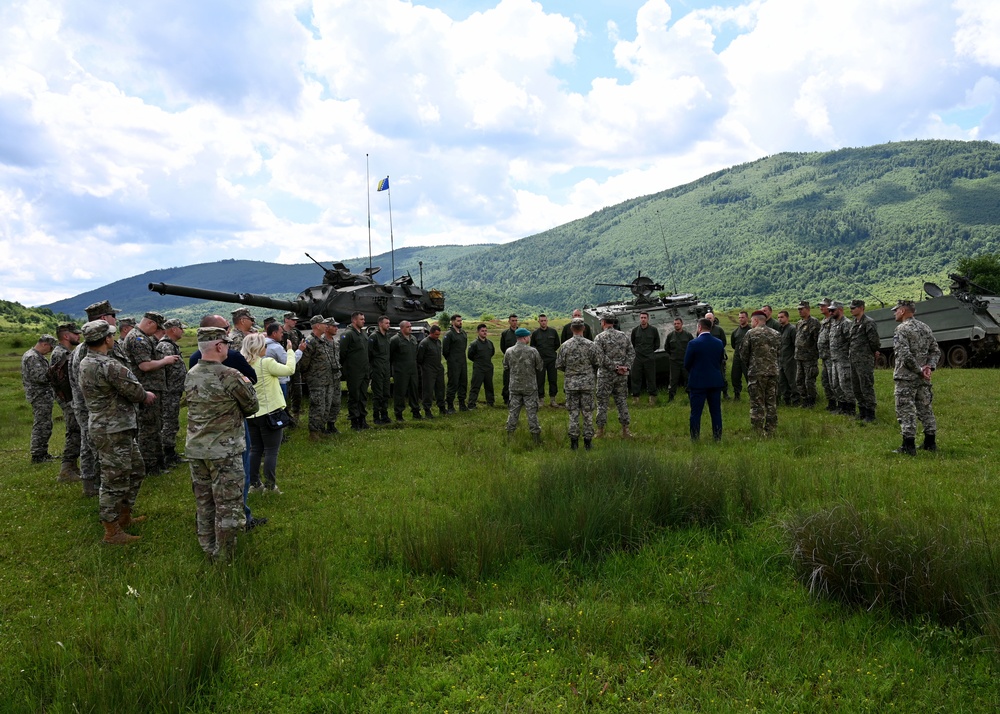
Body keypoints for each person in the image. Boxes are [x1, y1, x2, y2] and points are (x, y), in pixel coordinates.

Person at [185, 326, 259, 563]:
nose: (228, 347)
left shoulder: (191, 373)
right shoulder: (229, 375)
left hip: (196, 450)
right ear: (219, 346)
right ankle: (225, 556)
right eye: (226, 344)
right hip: (224, 451)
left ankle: (207, 547)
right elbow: (252, 406)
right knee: (228, 505)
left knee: (205, 501)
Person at [78, 320, 155, 545]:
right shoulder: (109, 365)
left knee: (136, 469)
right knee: (114, 478)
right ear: (107, 339)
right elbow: (135, 390)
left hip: (110, 427)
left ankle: (124, 516)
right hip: (113, 428)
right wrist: (145, 395)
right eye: (111, 336)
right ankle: (112, 531)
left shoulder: (85, 361)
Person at [72, 300, 124, 498]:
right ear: (104, 319)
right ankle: (96, 485)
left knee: (90, 443)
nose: (116, 320)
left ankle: (92, 483)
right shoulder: (91, 349)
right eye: (113, 316)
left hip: (88, 404)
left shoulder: (83, 347)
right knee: (95, 445)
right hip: (95, 405)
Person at [121, 311, 180, 476]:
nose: (156, 332)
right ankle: (149, 466)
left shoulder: (143, 337)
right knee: (148, 429)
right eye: (156, 328)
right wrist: (165, 361)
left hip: (153, 388)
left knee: (155, 426)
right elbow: (144, 366)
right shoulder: (138, 339)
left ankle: (158, 463)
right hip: (146, 389)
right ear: (150, 323)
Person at [242, 333, 295, 494]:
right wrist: (290, 351)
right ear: (258, 348)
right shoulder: (266, 362)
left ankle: (254, 484)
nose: (266, 348)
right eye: (264, 346)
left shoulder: (243, 364)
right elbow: (289, 370)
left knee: (255, 449)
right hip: (270, 413)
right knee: (272, 451)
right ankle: (271, 486)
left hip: (251, 414)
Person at [891, 300, 941, 455]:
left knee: (905, 409)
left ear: (903, 311)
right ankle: (930, 442)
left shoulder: (901, 329)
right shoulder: (925, 327)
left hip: (906, 377)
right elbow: (935, 351)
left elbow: (904, 354)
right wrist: (928, 367)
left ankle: (908, 445)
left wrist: (919, 369)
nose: (894, 313)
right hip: (922, 377)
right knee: (925, 407)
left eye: (896, 310)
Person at [556, 318, 600, 450]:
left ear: (571, 329)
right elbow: (597, 363)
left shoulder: (565, 346)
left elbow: (559, 365)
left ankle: (574, 443)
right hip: (587, 384)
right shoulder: (591, 345)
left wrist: (571, 372)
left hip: (571, 384)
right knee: (587, 413)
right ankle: (588, 442)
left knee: (573, 413)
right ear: (584, 329)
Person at [739, 310, 780, 436]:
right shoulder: (776, 333)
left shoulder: (751, 333)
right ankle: (771, 429)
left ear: (756, 320)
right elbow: (779, 352)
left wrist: (751, 365)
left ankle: (758, 431)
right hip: (773, 371)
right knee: (771, 402)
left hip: (757, 372)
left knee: (757, 403)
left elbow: (743, 353)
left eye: (752, 321)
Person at [684, 317, 725, 440]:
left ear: (699, 327)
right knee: (716, 412)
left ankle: (695, 438)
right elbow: (720, 361)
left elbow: (687, 363)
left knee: (696, 413)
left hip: (698, 382)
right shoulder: (718, 343)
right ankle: (717, 437)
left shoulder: (693, 343)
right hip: (715, 381)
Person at [593, 316, 634, 438]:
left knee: (602, 403)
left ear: (603, 322)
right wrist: (625, 367)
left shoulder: (599, 337)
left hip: (605, 375)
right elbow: (631, 352)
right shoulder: (623, 335)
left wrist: (614, 367)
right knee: (622, 401)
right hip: (621, 375)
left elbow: (599, 357)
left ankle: (600, 431)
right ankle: (626, 430)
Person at [51, 323, 82, 481]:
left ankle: (72, 467)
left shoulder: (65, 352)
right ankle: (66, 469)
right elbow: (63, 380)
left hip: (69, 398)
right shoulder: (60, 354)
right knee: (74, 431)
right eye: (75, 333)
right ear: (65, 336)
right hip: (68, 399)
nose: (78, 336)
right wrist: (70, 400)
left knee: (76, 431)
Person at [296, 315, 335, 440]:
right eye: (324, 324)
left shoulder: (322, 340)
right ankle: (314, 433)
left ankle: (321, 428)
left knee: (326, 406)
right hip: (316, 380)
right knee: (317, 406)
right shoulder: (310, 341)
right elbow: (304, 363)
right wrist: (310, 376)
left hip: (327, 379)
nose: (326, 326)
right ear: (318, 325)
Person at [21, 334, 57, 463]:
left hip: (43, 395)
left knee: (46, 424)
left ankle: (43, 452)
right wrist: (54, 372)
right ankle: (37, 455)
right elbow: (40, 377)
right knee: (41, 425)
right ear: (44, 344)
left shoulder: (36, 356)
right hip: (39, 395)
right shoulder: (32, 357)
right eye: (50, 348)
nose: (50, 351)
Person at [504, 327, 543, 442]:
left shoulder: (509, 351)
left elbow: (505, 366)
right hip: (529, 387)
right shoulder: (532, 351)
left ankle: (510, 435)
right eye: (529, 336)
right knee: (532, 413)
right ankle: (535, 437)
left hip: (514, 386)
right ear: (525, 337)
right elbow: (539, 367)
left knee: (513, 412)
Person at [157, 318, 187, 466]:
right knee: (168, 423)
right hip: (168, 392)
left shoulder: (171, 346)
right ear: (174, 329)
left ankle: (170, 452)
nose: (183, 331)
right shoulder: (165, 347)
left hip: (173, 390)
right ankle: (167, 455)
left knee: (172, 422)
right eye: (182, 328)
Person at [849, 299, 881, 423]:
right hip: (853, 359)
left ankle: (870, 413)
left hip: (864, 359)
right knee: (856, 387)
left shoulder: (868, 322)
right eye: (851, 308)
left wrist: (873, 352)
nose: (851, 310)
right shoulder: (853, 323)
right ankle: (862, 410)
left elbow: (874, 341)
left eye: (853, 308)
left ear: (861, 308)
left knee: (866, 386)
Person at [340, 311, 370, 430]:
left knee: (363, 395)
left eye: (363, 319)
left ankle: (362, 419)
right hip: (354, 371)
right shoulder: (348, 334)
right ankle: (354, 421)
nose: (363, 321)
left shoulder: (363, 334)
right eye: (361, 319)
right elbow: (343, 352)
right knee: (354, 396)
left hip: (364, 369)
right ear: (354, 321)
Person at [389, 320, 422, 421]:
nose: (410, 328)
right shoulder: (395, 340)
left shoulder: (413, 339)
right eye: (408, 327)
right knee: (400, 392)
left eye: (410, 326)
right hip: (400, 370)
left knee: (414, 391)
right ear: (402, 328)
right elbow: (390, 355)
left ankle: (416, 411)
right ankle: (399, 414)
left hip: (412, 370)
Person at [827, 300, 854, 416]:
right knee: (835, 384)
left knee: (845, 385)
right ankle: (842, 407)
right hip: (834, 359)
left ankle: (850, 408)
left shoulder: (846, 323)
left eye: (833, 310)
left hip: (844, 360)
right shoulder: (833, 323)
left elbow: (851, 342)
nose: (830, 312)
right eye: (830, 310)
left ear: (840, 310)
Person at [794, 301, 821, 408]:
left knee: (809, 380)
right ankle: (804, 399)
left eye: (802, 309)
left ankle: (811, 400)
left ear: (808, 309)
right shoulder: (799, 323)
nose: (800, 311)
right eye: (798, 309)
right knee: (799, 380)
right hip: (799, 356)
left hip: (809, 357)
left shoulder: (814, 322)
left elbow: (817, 340)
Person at [630, 311, 661, 405]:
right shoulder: (635, 330)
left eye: (645, 318)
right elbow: (633, 342)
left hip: (649, 357)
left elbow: (657, 344)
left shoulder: (653, 330)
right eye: (641, 317)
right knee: (635, 377)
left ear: (648, 319)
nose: (643, 319)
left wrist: (649, 351)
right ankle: (635, 398)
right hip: (638, 357)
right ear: (640, 319)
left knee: (651, 377)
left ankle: (652, 398)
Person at [530, 314, 561, 407]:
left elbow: (557, 344)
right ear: (539, 322)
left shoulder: (553, 332)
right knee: (540, 379)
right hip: (540, 360)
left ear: (547, 321)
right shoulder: (535, 333)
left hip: (551, 359)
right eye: (541, 321)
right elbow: (533, 346)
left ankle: (553, 399)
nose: (543, 322)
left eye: (545, 320)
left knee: (553, 379)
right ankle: (541, 399)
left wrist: (550, 352)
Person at [417, 324, 446, 418]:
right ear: (431, 333)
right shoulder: (424, 343)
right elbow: (420, 358)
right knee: (428, 390)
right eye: (436, 335)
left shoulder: (438, 342)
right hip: (428, 369)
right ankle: (427, 410)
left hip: (438, 368)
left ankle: (442, 407)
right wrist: (425, 368)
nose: (437, 336)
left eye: (439, 335)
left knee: (440, 389)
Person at [442, 314, 469, 412]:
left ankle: (462, 404)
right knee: (453, 383)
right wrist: (451, 359)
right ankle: (450, 405)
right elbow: (445, 350)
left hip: (462, 361)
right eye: (458, 321)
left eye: (461, 320)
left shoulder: (463, 333)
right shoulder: (449, 334)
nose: (460, 322)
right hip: (453, 362)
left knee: (463, 382)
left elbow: (464, 347)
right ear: (452, 322)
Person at [369, 315, 392, 424]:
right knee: (378, 394)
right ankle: (376, 416)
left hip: (386, 367)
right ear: (380, 324)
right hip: (377, 368)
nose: (389, 325)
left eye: (389, 323)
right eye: (386, 323)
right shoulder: (374, 337)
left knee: (386, 392)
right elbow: (369, 353)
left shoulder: (387, 336)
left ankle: (384, 415)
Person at [282, 313, 305, 423]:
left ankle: (295, 414)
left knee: (297, 391)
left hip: (296, 365)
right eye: (292, 320)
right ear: (286, 320)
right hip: (283, 366)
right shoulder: (280, 332)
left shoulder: (296, 332)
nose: (295, 322)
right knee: (284, 391)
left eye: (296, 320)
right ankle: (285, 415)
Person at [467, 322, 496, 408]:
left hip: (488, 367)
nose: (484, 332)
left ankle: (490, 403)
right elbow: (470, 355)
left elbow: (492, 353)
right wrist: (478, 362)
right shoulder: (474, 344)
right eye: (482, 331)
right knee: (475, 386)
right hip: (478, 368)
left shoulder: (490, 343)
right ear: (478, 332)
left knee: (489, 386)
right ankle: (471, 404)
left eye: (486, 331)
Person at [663, 317, 693, 401]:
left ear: (682, 324)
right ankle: (671, 398)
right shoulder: (670, 336)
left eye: (678, 323)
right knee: (673, 380)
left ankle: (691, 397)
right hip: (674, 362)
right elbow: (667, 348)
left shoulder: (688, 335)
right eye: (675, 324)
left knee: (688, 379)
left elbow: (692, 347)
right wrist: (673, 355)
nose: (676, 325)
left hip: (685, 361)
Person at [322, 318, 343, 433]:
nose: (336, 328)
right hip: (325, 377)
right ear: (327, 327)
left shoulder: (336, 343)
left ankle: (331, 424)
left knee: (336, 401)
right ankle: (322, 426)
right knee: (326, 402)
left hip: (336, 376)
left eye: (336, 326)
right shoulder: (321, 342)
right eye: (333, 326)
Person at [705, 312, 730, 399]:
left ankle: (725, 393)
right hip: (707, 358)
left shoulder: (719, 330)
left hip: (718, 357)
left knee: (722, 376)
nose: (708, 320)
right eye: (707, 318)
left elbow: (723, 342)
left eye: (710, 318)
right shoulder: (703, 330)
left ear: (713, 319)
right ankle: (710, 394)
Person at [776, 310, 799, 406]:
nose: (780, 319)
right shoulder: (780, 330)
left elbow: (796, 345)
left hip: (790, 360)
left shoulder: (792, 329)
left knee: (792, 381)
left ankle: (796, 401)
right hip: (781, 360)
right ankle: (786, 401)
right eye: (778, 317)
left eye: (782, 317)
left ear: (787, 318)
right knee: (782, 382)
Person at [816, 298, 835, 410]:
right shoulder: (823, 321)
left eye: (823, 306)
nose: (821, 308)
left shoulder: (833, 321)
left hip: (832, 356)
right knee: (825, 381)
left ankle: (839, 403)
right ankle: (831, 402)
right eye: (820, 306)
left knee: (834, 381)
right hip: (824, 357)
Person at [730, 311, 750, 401]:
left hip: (747, 359)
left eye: (742, 317)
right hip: (737, 358)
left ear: (747, 318)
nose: (740, 319)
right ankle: (737, 395)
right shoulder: (735, 332)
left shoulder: (750, 331)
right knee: (735, 376)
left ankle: (752, 396)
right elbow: (733, 345)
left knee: (749, 377)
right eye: (739, 317)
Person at [500, 314, 519, 405]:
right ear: (509, 321)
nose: (514, 322)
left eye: (516, 320)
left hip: (520, 360)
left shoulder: (521, 333)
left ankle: (519, 398)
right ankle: (507, 398)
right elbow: (502, 347)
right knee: (507, 379)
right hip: (509, 360)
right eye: (512, 320)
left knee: (519, 379)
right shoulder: (505, 333)